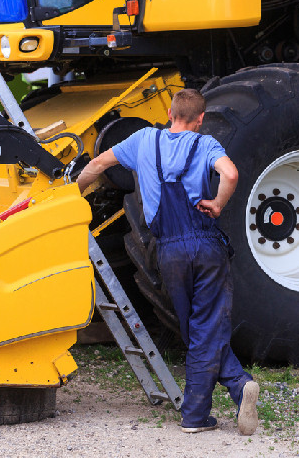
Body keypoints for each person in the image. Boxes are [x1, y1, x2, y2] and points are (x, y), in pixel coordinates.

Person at [77, 88, 259, 435]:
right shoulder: (204, 145)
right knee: (204, 326)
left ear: (171, 113)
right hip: (205, 245)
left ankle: (206, 409)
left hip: (169, 250)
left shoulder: (144, 139)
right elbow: (231, 174)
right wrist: (217, 203)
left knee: (193, 328)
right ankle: (230, 388)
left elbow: (99, 163)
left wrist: (73, 193)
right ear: (200, 119)